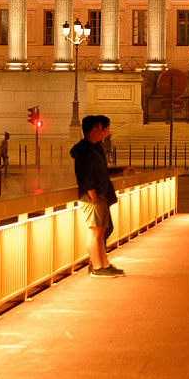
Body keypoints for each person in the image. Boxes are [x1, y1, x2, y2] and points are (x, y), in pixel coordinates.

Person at [71, 116, 123, 277]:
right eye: (102, 128)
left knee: (100, 232)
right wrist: (91, 192)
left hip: (99, 194)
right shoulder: (85, 150)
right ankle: (97, 267)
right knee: (95, 232)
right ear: (94, 129)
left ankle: (103, 264)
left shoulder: (94, 147)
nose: (104, 132)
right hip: (93, 196)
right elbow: (84, 172)